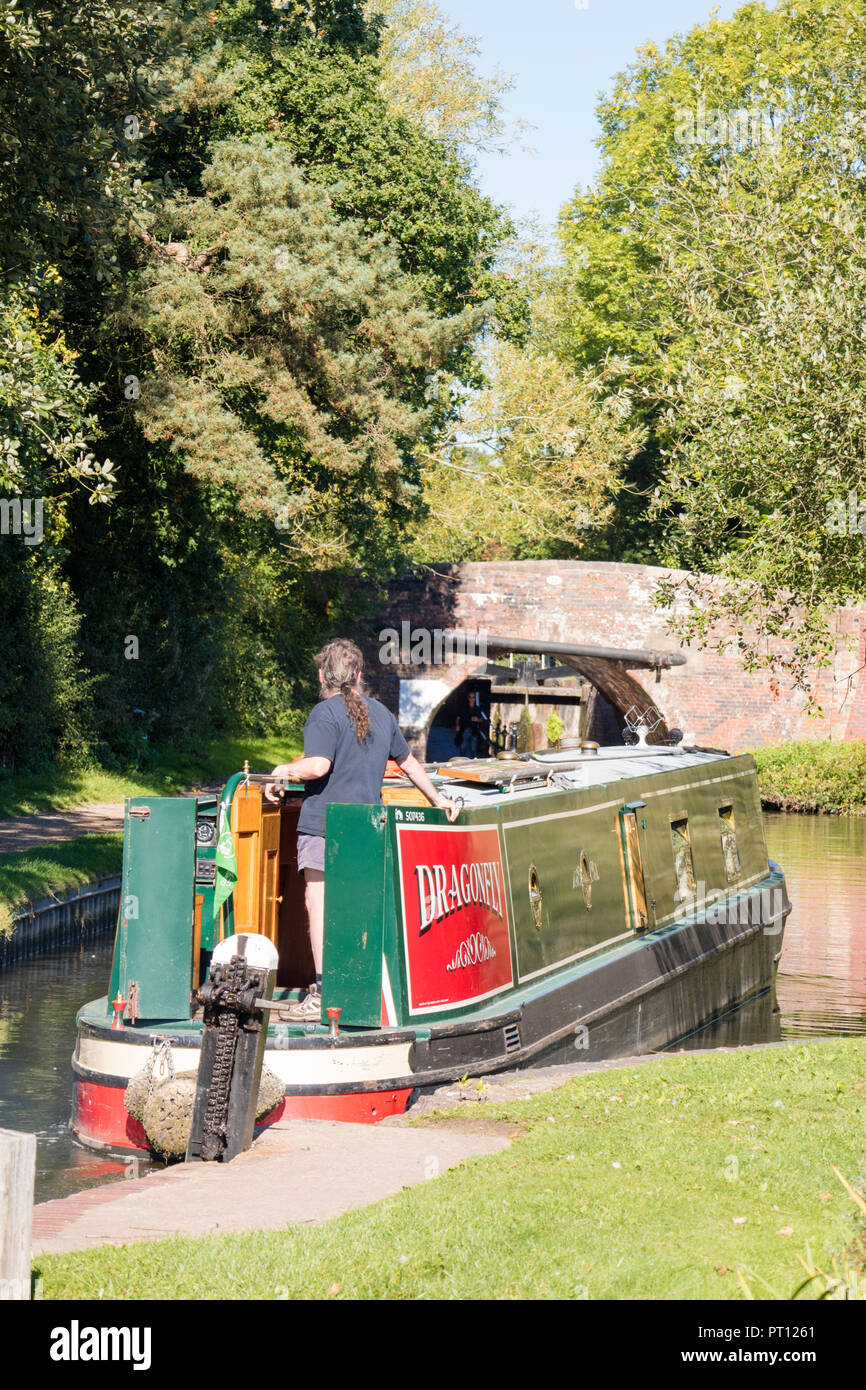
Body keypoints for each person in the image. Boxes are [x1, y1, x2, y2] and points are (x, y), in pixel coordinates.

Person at [266, 638, 459, 1021]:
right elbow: (409, 763)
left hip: (325, 824)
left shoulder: (324, 713)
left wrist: (283, 771)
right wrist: (439, 801)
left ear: (322, 675)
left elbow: (318, 765)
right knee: (356, 906)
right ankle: (360, 988)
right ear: (358, 675)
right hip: (367, 827)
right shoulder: (382, 714)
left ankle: (322, 995)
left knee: (318, 905)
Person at [455, 689, 489, 758]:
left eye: (473, 697)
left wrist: (478, 720)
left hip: (475, 730)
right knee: (463, 747)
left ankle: (473, 762)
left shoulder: (478, 708)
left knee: (473, 748)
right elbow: (458, 717)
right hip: (465, 729)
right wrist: (457, 725)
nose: (471, 699)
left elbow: (483, 719)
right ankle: (461, 760)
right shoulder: (464, 707)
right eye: (470, 697)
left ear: (475, 698)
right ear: (468, 698)